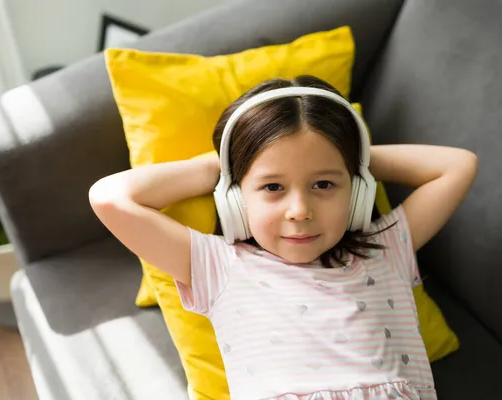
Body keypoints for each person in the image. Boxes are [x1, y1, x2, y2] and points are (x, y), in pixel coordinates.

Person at [89, 75, 478, 399]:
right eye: (272, 186)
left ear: (357, 192)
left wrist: (355, 157)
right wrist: (218, 168)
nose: (300, 210)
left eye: (324, 183)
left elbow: (458, 166)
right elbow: (109, 199)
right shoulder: (218, 265)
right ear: (235, 200)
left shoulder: (385, 247)